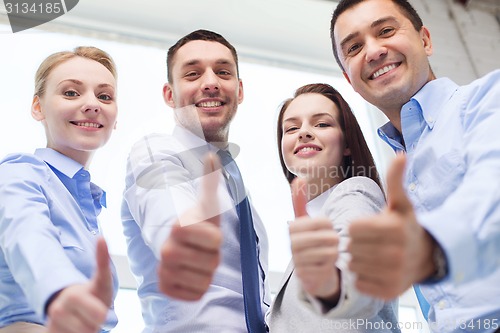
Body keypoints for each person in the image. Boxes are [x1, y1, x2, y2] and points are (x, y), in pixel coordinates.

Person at [330, 0, 500, 332]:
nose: (374, 51)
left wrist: (432, 244)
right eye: (354, 47)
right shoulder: (396, 181)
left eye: (386, 31)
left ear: (425, 40)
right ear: (349, 80)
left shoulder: (487, 98)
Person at [121, 29, 270, 332]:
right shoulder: (156, 153)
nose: (211, 83)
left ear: (239, 90)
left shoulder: (236, 186)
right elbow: (169, 219)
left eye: (223, 72)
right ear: (170, 94)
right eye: (192, 74)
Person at [0, 46, 119, 333]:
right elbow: (28, 235)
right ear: (38, 107)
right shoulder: (20, 173)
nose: (93, 104)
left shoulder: (89, 206)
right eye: (71, 93)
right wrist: (62, 291)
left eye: (104, 96)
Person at [265, 83, 400, 332]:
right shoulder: (318, 220)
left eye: (322, 124)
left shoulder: (357, 193)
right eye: (292, 128)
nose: (303, 133)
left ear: (347, 144)